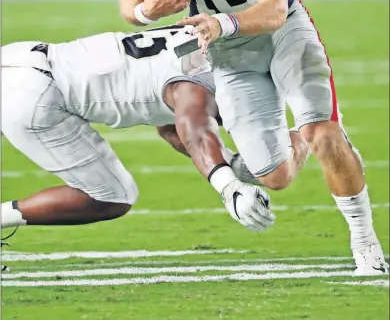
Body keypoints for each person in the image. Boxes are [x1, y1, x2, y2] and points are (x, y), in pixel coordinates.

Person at [119, 0, 388, 276]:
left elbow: (272, 10)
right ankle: (299, 140)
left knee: (322, 132)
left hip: (280, 34)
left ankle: (366, 245)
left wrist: (220, 24)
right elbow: (128, 1)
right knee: (276, 176)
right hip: (229, 54)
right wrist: (151, 11)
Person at [1, 26, 274, 239]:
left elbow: (172, 128)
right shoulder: (200, 83)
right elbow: (194, 128)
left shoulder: (197, 37)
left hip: (20, 58)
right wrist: (230, 187)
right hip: (36, 96)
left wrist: (235, 164)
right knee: (113, 196)